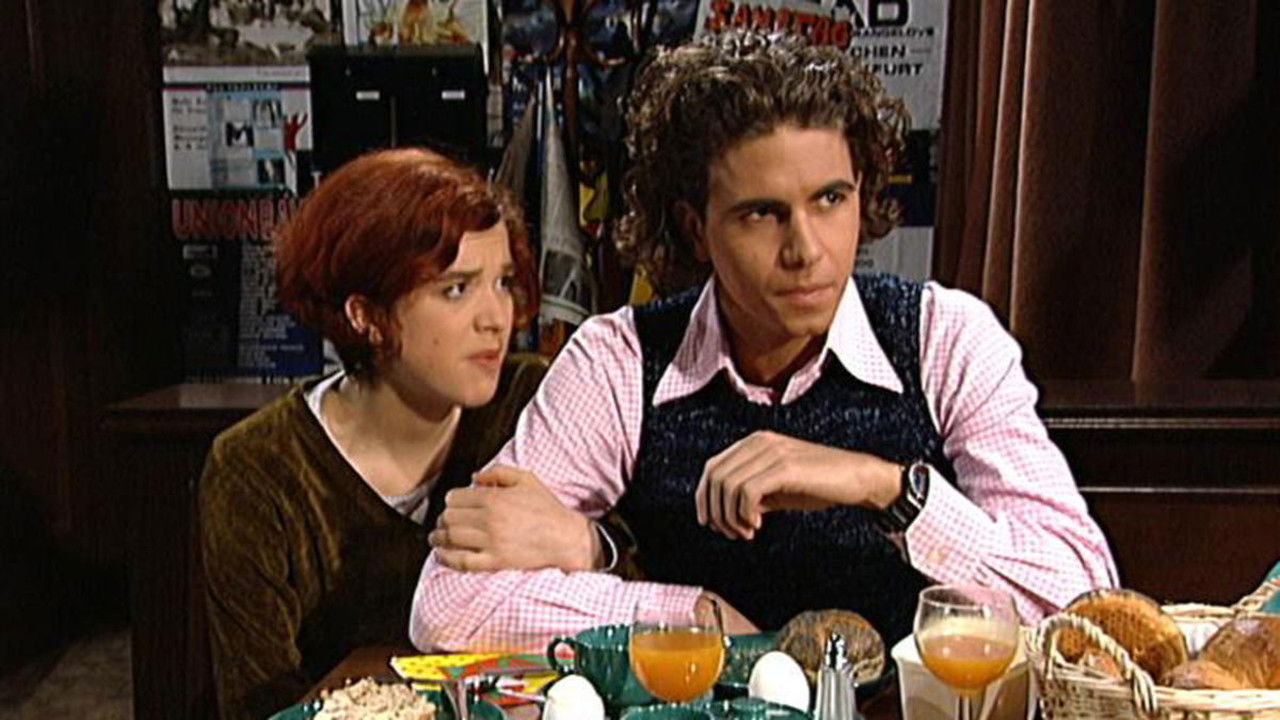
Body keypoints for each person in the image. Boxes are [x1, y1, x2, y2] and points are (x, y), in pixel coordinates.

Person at [412, 30, 1117, 652]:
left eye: (831, 199)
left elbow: (1080, 603)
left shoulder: (945, 338)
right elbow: (448, 608)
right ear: (695, 228)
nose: (806, 249)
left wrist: (886, 489)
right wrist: (690, 616)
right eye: (762, 214)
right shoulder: (620, 359)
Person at [199, 148, 617, 720]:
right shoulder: (257, 468)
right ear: (366, 315)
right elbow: (260, 702)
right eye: (456, 289)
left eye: (502, 283)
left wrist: (588, 546)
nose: (497, 318)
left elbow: (649, 611)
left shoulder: (533, 401)